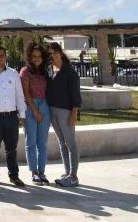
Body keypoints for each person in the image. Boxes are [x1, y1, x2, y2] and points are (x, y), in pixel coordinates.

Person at [0, 45, 26, 187]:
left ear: (6, 57)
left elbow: (19, 95)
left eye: (2, 55)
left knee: (11, 148)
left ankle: (14, 176)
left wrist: (22, 114)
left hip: (11, 117)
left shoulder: (13, 74)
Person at [46, 42, 81, 187]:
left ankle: (73, 176)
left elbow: (76, 95)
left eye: (55, 52)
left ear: (60, 53)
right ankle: (67, 172)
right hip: (52, 110)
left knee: (70, 143)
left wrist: (74, 113)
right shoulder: (49, 69)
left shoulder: (69, 72)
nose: (52, 56)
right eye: (50, 53)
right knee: (62, 143)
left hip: (66, 111)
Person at [21, 42, 51, 185]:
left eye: (39, 56)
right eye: (34, 56)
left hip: (44, 105)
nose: (37, 58)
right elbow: (25, 93)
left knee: (42, 143)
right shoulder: (25, 71)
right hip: (30, 106)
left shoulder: (45, 71)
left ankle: (42, 172)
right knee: (31, 141)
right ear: (29, 57)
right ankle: (34, 172)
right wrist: (35, 110)